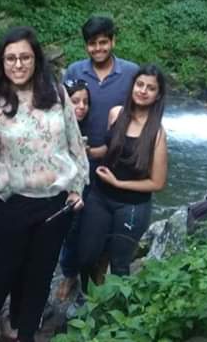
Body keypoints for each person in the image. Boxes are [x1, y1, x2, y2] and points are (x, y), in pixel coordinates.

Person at [0, 26, 89, 342]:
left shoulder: (57, 94)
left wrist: (76, 187)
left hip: (55, 205)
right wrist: (8, 185)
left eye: (25, 57)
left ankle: (26, 336)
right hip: (12, 204)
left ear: (36, 59)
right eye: (11, 58)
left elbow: (74, 144)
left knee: (40, 277)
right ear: (2, 62)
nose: (18, 64)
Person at [60, 15, 138, 296]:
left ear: (113, 41)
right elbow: (62, 109)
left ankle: (97, 273)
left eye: (103, 42)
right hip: (77, 162)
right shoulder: (74, 71)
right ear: (86, 46)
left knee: (104, 223)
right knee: (72, 223)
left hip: (114, 164)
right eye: (92, 44)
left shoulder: (130, 73)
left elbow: (142, 110)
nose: (98, 49)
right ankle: (68, 274)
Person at [77, 64, 168, 289]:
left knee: (119, 264)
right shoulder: (116, 114)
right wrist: (88, 151)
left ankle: (114, 314)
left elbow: (157, 182)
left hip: (132, 205)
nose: (143, 91)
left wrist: (119, 182)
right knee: (86, 255)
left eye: (150, 88)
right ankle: (87, 297)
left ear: (157, 95)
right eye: (139, 85)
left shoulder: (157, 133)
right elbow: (113, 149)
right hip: (100, 195)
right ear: (132, 86)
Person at [56, 78, 91, 301]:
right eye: (75, 101)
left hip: (79, 190)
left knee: (73, 234)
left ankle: (69, 276)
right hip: (55, 190)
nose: (81, 107)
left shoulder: (87, 128)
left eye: (85, 102)